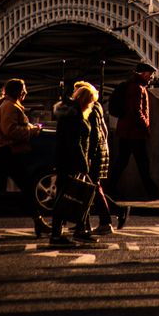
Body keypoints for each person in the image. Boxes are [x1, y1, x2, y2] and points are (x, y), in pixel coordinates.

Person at [0, 79, 51, 241]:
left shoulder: (7, 105)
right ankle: (38, 222)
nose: (25, 92)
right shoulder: (10, 106)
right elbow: (10, 131)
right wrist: (33, 131)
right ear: (18, 92)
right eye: (24, 89)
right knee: (24, 186)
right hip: (5, 152)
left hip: (1, 152)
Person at [73, 81, 129, 234]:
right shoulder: (95, 107)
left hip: (94, 154)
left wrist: (88, 156)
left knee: (92, 188)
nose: (75, 96)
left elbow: (93, 134)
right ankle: (84, 222)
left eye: (78, 93)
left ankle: (104, 221)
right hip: (99, 152)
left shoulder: (90, 109)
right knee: (91, 187)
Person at [106, 63, 159, 200]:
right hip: (134, 132)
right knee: (142, 163)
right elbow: (136, 111)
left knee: (123, 162)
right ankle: (152, 191)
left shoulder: (133, 85)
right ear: (143, 74)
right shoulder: (137, 88)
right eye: (150, 74)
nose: (152, 77)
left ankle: (110, 189)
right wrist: (145, 127)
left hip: (127, 131)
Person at [50, 83, 97, 246]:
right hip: (71, 162)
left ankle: (80, 230)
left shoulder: (71, 112)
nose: (92, 105)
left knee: (80, 194)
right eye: (91, 101)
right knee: (67, 196)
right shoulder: (74, 115)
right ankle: (56, 235)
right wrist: (83, 163)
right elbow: (74, 142)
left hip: (68, 160)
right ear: (86, 100)